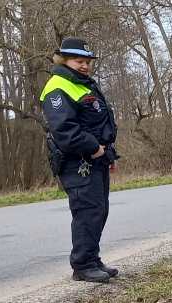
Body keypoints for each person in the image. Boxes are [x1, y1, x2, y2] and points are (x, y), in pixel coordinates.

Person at [41, 37, 119, 283]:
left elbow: (97, 122)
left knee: (99, 210)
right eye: (79, 61)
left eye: (87, 61)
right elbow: (64, 129)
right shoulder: (57, 87)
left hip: (96, 158)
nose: (85, 65)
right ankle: (82, 265)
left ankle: (92, 259)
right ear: (64, 60)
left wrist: (108, 153)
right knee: (87, 211)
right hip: (78, 162)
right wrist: (94, 148)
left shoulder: (83, 83)